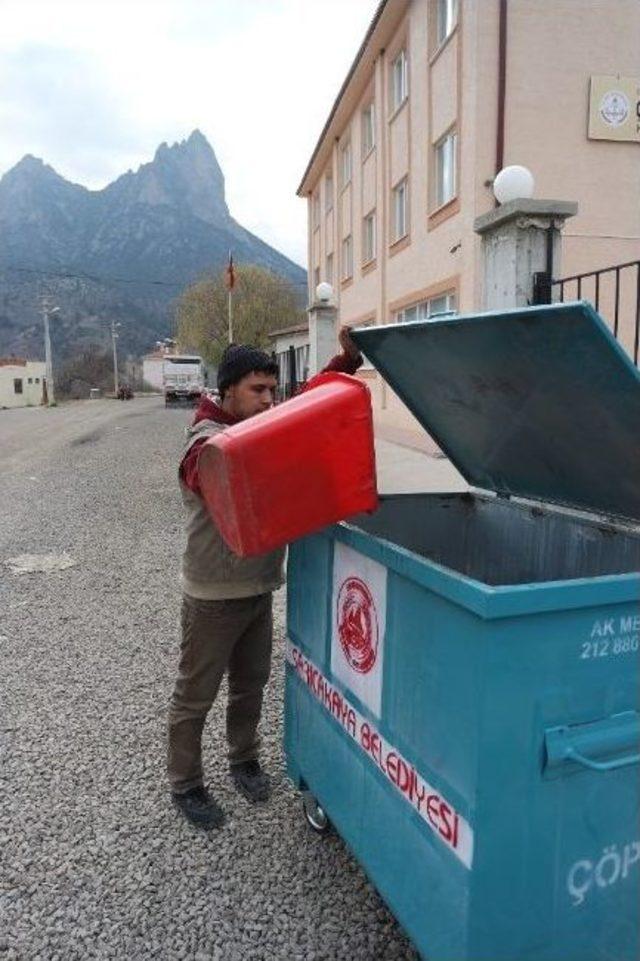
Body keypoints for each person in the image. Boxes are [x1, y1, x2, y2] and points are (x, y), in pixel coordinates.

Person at [168, 327, 363, 829]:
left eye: (272, 392)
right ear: (227, 389)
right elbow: (201, 470)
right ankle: (186, 784)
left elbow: (303, 406)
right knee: (195, 695)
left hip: (257, 589)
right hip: (213, 596)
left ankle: (244, 761)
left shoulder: (260, 424)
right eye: (257, 390)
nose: (268, 401)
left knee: (250, 686)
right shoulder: (205, 440)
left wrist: (343, 365)